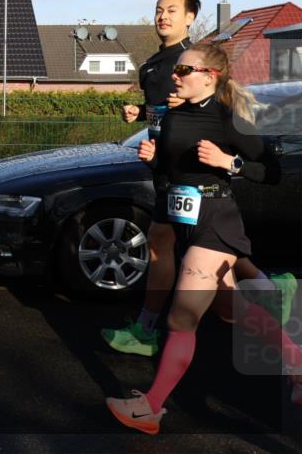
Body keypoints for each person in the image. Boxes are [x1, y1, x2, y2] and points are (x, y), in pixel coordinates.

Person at [106, 42, 301, 434]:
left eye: (183, 71)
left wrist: (230, 163)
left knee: (182, 316)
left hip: (216, 222)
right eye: (175, 71)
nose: (174, 78)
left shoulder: (227, 120)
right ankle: (297, 363)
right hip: (187, 223)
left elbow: (273, 170)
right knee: (232, 311)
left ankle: (152, 407)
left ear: (210, 76)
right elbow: (172, 164)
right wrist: (152, 157)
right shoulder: (175, 116)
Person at [102, 0, 296, 356]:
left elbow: (204, 115)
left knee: (170, 245)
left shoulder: (193, 64)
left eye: (172, 10)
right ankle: (271, 295)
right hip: (170, 170)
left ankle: (148, 330)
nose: (162, 15)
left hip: (193, 179)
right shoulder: (153, 66)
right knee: (214, 265)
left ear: (190, 18)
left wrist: (228, 161)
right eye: (159, 9)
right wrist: (142, 115)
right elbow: (167, 113)